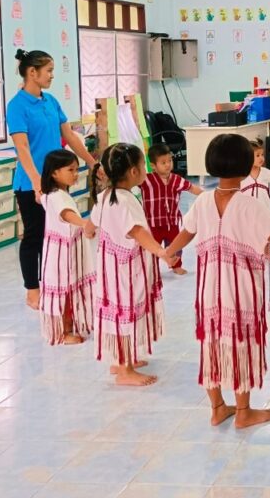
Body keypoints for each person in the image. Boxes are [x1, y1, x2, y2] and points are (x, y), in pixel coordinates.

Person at [165, 134, 270, 428]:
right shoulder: (250, 205)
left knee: (211, 344)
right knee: (241, 344)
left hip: (208, 292)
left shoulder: (202, 202)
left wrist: (168, 252)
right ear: (245, 164)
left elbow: (186, 234)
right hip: (240, 292)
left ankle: (217, 408)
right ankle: (243, 412)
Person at [7, 49, 98, 310]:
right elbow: (22, 148)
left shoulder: (51, 101)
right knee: (34, 237)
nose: (52, 76)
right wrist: (37, 183)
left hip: (57, 182)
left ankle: (52, 282)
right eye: (48, 71)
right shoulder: (17, 106)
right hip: (30, 183)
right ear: (32, 72)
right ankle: (32, 290)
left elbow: (69, 136)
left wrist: (92, 163)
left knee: (57, 235)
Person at [90, 143, 174, 386]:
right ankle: (125, 370)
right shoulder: (126, 200)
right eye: (142, 165)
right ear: (133, 172)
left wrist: (85, 232)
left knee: (117, 311)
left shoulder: (105, 196)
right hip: (126, 270)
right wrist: (161, 252)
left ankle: (120, 360)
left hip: (110, 268)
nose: (145, 169)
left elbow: (91, 224)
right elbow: (138, 232)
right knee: (126, 309)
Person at [38, 149, 97, 346]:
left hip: (64, 249)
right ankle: (63, 331)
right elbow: (66, 215)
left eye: (76, 169)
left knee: (69, 290)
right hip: (61, 254)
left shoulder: (55, 193)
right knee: (64, 290)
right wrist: (84, 224)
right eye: (70, 170)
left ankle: (69, 327)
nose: (75, 174)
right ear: (54, 172)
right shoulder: (56, 196)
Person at [140, 143, 204, 276]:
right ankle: (150, 268)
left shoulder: (176, 179)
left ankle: (176, 265)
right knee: (152, 248)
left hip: (172, 222)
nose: (168, 164)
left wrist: (206, 195)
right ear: (153, 165)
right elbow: (131, 182)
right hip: (152, 223)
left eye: (169, 160)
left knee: (176, 245)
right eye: (163, 162)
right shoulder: (146, 180)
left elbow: (191, 188)